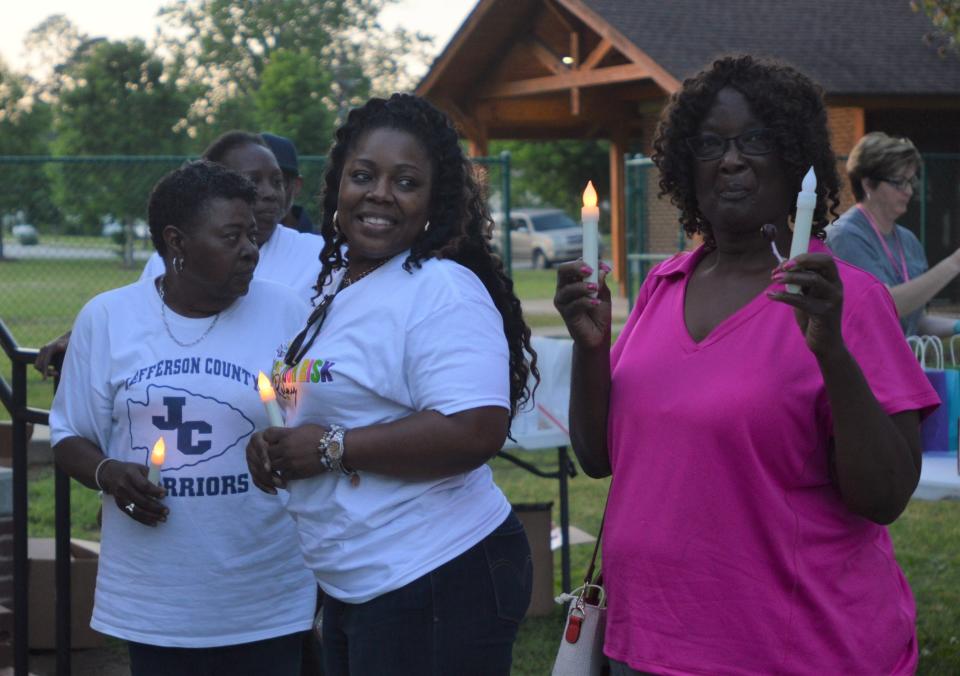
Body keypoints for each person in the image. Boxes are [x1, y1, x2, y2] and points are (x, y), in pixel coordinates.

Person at [554, 55, 939, 675]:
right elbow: (600, 459)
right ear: (687, 165)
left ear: (794, 159)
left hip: (791, 651)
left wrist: (831, 352)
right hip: (646, 643)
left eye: (754, 140)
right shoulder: (663, 286)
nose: (730, 159)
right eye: (709, 144)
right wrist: (590, 348)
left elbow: (886, 495)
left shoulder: (846, 297)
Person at [245, 94, 538, 676]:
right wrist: (276, 445)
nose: (380, 194)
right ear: (338, 187)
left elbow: (476, 429)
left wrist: (331, 448)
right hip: (362, 581)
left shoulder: (440, 289)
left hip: (437, 572)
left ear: (434, 200)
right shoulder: (332, 283)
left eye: (406, 181)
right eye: (363, 175)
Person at [48, 161, 316, 675]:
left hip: (265, 589)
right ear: (177, 242)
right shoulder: (107, 318)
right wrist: (109, 473)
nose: (252, 249)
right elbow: (68, 435)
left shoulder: (288, 312)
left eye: (253, 235)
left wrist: (291, 434)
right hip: (157, 596)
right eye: (232, 236)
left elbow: (313, 401)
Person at [35, 131, 325, 378]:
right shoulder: (171, 260)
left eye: (277, 182)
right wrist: (82, 339)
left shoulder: (318, 256)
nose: (270, 193)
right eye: (251, 181)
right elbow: (136, 319)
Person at [826, 131, 960, 336]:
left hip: (898, 366)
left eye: (911, 181)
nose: (909, 191)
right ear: (868, 183)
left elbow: (914, 322)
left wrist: (957, 326)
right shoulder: (844, 237)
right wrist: (954, 263)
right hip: (860, 367)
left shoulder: (908, 240)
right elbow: (883, 306)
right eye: (899, 182)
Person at [263, 132, 316, 234]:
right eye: (253, 181)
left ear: (297, 186)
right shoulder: (231, 246)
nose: (267, 192)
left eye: (278, 181)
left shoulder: (320, 246)